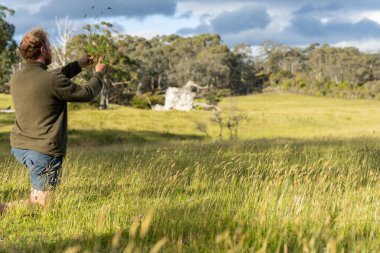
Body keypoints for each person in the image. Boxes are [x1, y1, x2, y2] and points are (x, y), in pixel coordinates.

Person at [0, 28, 107, 212]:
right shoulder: (51, 79)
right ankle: (4, 209)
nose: (51, 48)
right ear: (42, 50)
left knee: (38, 194)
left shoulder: (17, 76)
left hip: (20, 146)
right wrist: (98, 74)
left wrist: (78, 65)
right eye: (49, 45)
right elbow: (87, 93)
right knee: (42, 207)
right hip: (42, 151)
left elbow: (51, 78)